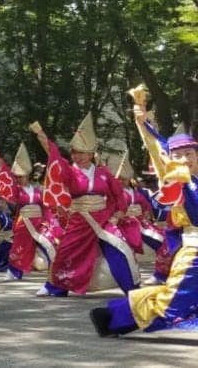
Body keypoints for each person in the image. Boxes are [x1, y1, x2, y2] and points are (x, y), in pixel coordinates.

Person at [90, 98, 198, 336]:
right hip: (195, 254)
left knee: (177, 298)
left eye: (189, 153)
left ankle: (114, 318)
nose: (184, 160)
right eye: (177, 155)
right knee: (174, 303)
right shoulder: (179, 181)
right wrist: (143, 123)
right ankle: (113, 318)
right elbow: (156, 147)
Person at [33, 113, 138, 296]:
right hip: (79, 218)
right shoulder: (69, 171)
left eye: (82, 152)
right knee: (66, 251)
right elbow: (55, 157)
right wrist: (42, 136)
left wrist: (117, 214)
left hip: (104, 217)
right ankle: (55, 286)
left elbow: (118, 194)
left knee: (119, 247)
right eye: (75, 152)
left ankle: (132, 289)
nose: (78, 156)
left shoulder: (103, 173)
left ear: (91, 153)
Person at [0, 143, 58, 281]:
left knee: (49, 242)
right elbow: (7, 175)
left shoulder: (37, 190)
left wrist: (51, 221)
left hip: (39, 222)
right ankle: (14, 271)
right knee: (20, 248)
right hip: (24, 222)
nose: (19, 179)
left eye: (22, 176)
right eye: (17, 177)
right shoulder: (17, 190)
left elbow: (45, 206)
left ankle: (56, 272)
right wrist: (0, 160)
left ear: (28, 176)